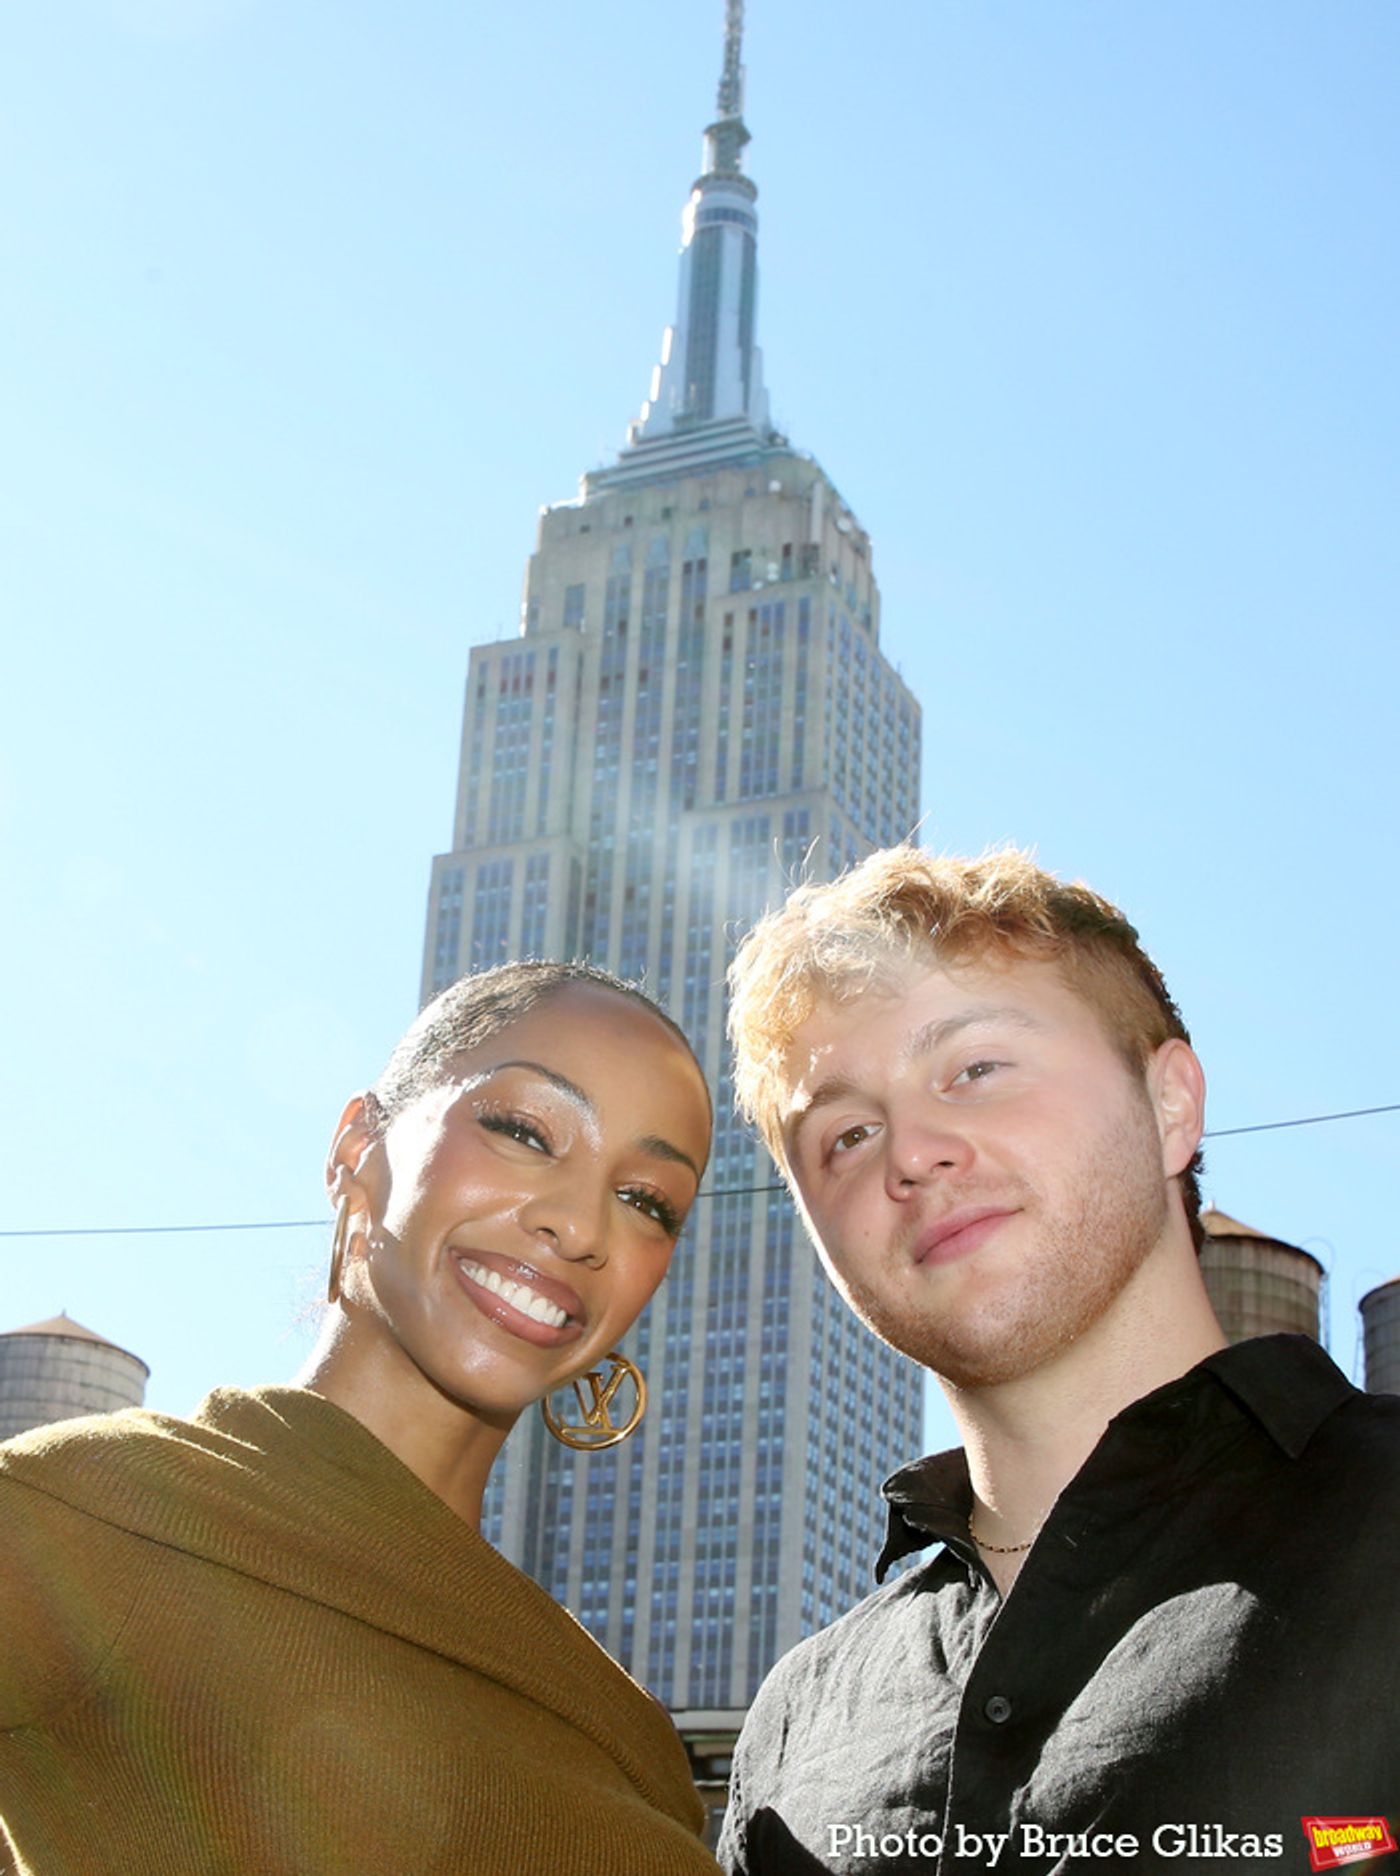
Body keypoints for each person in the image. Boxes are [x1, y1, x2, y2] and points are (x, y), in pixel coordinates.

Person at [719, 848, 1400, 1876]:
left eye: (975, 1069)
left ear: (1169, 1104)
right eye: (847, 1134)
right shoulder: (794, 1726)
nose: (911, 1151)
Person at [0, 961, 722, 1876]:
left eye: (646, 1200)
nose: (582, 1227)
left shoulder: (625, 1724)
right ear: (357, 1149)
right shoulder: (87, 1512)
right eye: (524, 1132)